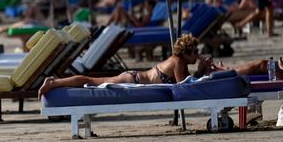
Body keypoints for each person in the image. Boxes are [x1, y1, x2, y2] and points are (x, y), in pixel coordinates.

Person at [38, 34, 205, 98]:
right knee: (90, 80)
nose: (197, 55)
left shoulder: (177, 61)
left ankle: (55, 81)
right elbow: (183, 88)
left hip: (133, 76)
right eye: (195, 51)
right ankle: (54, 82)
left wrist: (200, 72)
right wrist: (201, 71)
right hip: (132, 79)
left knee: (91, 79)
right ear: (186, 52)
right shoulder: (178, 62)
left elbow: (183, 84)